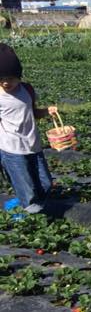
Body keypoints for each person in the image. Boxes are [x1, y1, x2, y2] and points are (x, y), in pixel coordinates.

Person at [0, 44, 57, 216]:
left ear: (19, 76)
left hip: (33, 145)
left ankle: (29, 205)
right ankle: (31, 216)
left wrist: (46, 112)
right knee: (26, 187)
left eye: (10, 78)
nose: (5, 82)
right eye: (1, 78)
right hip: (11, 148)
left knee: (45, 183)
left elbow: (32, 112)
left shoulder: (27, 90)